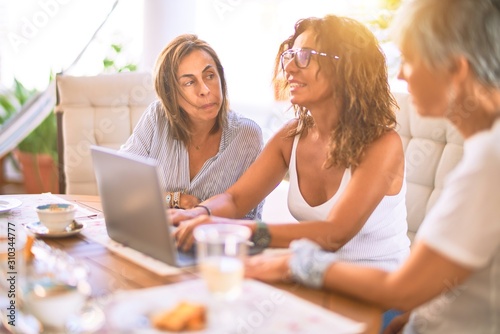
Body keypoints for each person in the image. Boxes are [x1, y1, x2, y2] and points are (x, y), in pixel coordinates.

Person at [245, 0, 500, 333]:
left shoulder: (489, 163)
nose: (401, 73)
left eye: (410, 59)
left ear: (457, 69)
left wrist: (297, 262)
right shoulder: (486, 153)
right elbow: (453, 283)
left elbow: (401, 289)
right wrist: (418, 315)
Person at [171, 15, 410, 272]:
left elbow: (334, 234)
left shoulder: (382, 144)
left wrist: (237, 230)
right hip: (313, 278)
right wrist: (201, 213)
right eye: (290, 56)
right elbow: (235, 198)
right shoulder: (290, 137)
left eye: (305, 56)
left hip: (378, 293)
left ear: (346, 68)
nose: (290, 68)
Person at [120, 34, 264, 219]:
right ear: (170, 94)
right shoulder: (157, 117)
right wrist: (174, 199)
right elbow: (122, 186)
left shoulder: (247, 135)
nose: (205, 90)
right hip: (154, 236)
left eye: (210, 76)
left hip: (213, 242)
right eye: (189, 82)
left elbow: (250, 218)